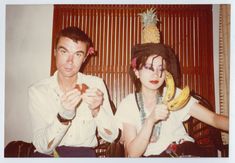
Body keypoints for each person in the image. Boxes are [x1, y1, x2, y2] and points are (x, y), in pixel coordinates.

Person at [114, 43, 229, 157]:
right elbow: (132, 154)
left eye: (161, 69)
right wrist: (150, 120)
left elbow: (213, 119)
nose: (156, 74)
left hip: (186, 151)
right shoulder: (128, 104)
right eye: (149, 68)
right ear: (137, 72)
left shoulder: (174, 95)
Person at [28, 27, 118, 157]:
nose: (70, 61)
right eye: (64, 52)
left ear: (85, 57)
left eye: (78, 54)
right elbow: (42, 147)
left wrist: (96, 110)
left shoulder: (95, 84)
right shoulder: (38, 91)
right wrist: (63, 117)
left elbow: (113, 136)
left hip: (84, 155)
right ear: (55, 52)